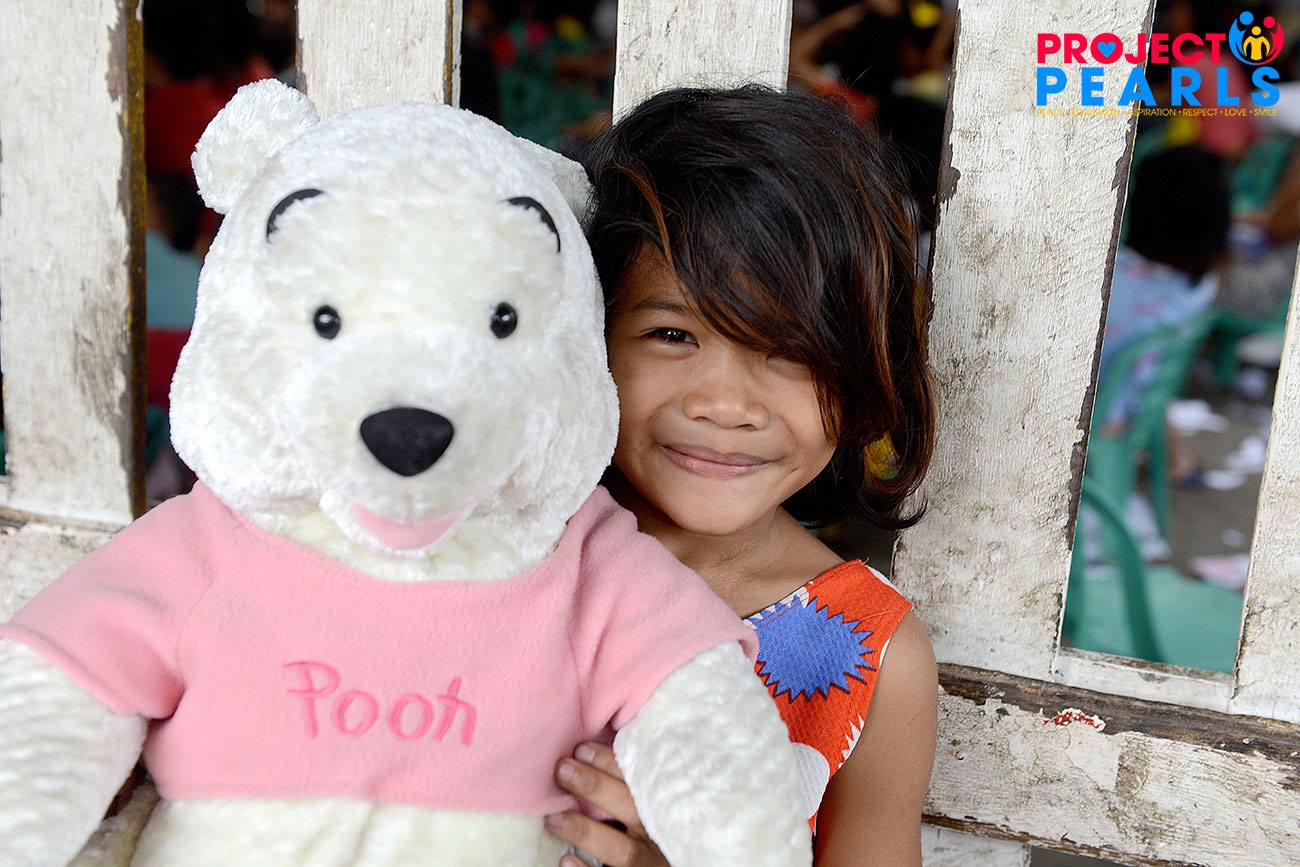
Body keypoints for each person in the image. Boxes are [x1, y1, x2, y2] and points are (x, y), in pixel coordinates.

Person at [543, 85, 940, 865]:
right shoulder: (510, 551)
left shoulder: (870, 656)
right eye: (672, 333)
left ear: (863, 373)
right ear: (592, 333)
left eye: (788, 350)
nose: (725, 404)